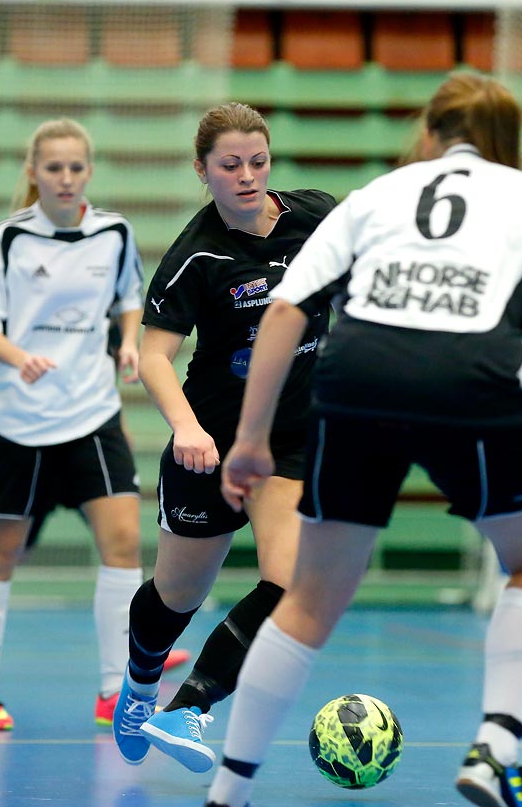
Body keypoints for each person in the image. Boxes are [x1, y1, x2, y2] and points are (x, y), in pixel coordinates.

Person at [203, 72, 522, 807]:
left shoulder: (379, 194)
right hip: (476, 385)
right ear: (507, 141)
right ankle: (495, 748)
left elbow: (284, 314)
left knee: (307, 600)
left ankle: (227, 788)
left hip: (356, 384)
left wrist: (250, 440)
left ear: (430, 133)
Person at [111, 102, 338, 775]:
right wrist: (185, 427)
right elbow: (154, 357)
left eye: (257, 161)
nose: (246, 176)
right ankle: (140, 683)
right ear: (203, 171)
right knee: (178, 595)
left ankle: (190, 709)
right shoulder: (197, 256)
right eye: (229, 165)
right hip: (208, 443)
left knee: (291, 580)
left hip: (288, 441)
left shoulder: (317, 216)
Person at [0, 117, 150, 731]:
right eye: (53, 168)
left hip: (93, 417)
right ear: (34, 173)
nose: (65, 178)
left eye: (75, 167)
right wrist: (19, 357)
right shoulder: (8, 239)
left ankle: (115, 690)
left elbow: (129, 300)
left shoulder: (115, 232)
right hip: (17, 423)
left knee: (124, 546)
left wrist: (128, 344)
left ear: (88, 172)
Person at [0, 320, 190, 687]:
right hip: (33, 444)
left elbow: (103, 384)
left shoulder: (107, 315)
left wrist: (120, 433)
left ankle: (141, 648)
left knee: (121, 544)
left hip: (86, 442)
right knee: (7, 550)